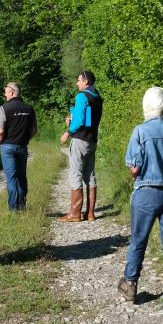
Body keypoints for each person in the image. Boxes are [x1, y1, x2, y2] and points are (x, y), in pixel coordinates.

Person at [117, 87, 163, 317]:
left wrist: (137, 172)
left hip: (147, 191)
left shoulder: (140, 131)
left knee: (138, 240)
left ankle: (130, 284)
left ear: (146, 105)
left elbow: (134, 168)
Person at [59, 71, 103, 222]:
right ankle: (90, 213)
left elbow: (80, 122)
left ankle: (75, 214)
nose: (77, 83)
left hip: (80, 140)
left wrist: (68, 132)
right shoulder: (97, 97)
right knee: (90, 175)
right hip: (92, 141)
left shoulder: (81, 96)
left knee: (75, 174)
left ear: (85, 81)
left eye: (78, 80)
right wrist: (73, 119)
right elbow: (87, 119)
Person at [0, 82, 37, 211]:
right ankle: (22, 204)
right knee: (21, 175)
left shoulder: (4, 108)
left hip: (7, 146)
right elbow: (34, 130)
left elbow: (0, 131)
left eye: (6, 92)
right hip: (22, 146)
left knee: (12, 177)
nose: (5, 94)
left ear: (12, 92)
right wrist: (25, 139)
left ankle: (14, 208)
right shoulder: (29, 108)